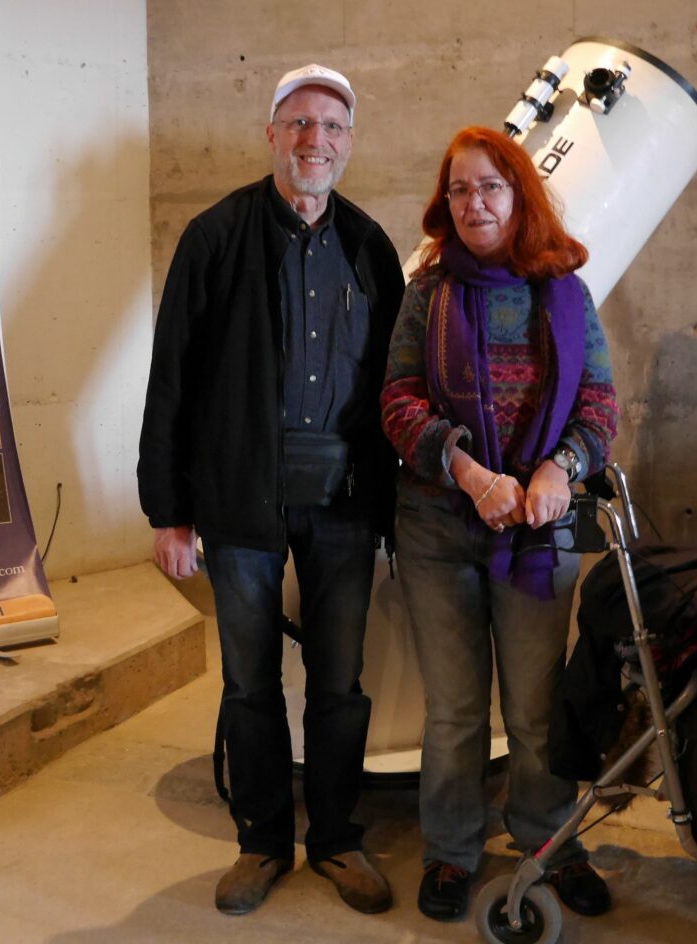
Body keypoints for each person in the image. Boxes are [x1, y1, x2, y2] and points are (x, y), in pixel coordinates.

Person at [138, 64, 404, 916]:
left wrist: (395, 509)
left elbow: (395, 387)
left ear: (349, 142)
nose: (314, 140)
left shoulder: (369, 246)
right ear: (271, 135)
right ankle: (261, 840)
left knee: (340, 683)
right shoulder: (215, 237)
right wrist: (168, 511)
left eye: (332, 126)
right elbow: (171, 379)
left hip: (343, 501)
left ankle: (335, 838)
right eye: (299, 124)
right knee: (249, 682)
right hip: (240, 496)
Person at [380, 126, 619, 923]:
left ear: (519, 193)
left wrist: (560, 469)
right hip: (437, 527)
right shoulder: (428, 292)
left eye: (489, 185)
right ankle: (451, 849)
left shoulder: (566, 292)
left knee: (536, 710)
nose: (473, 202)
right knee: (453, 710)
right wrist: (469, 473)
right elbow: (398, 400)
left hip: (539, 531)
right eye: (459, 189)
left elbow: (599, 403)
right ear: (444, 202)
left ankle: (549, 842)